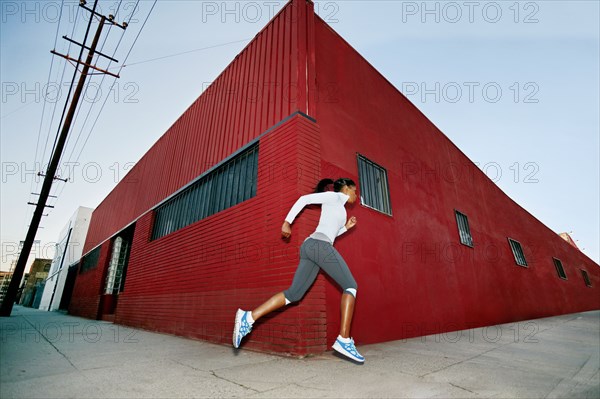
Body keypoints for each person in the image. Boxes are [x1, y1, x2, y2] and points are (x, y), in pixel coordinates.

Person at [232, 178, 364, 363]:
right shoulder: (333, 197)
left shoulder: (340, 209)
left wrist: (346, 228)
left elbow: (330, 234)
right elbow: (304, 199)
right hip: (318, 246)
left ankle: (248, 317)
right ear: (347, 188)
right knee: (350, 286)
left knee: (294, 294)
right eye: (355, 191)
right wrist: (287, 222)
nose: (356, 196)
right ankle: (343, 339)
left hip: (312, 246)